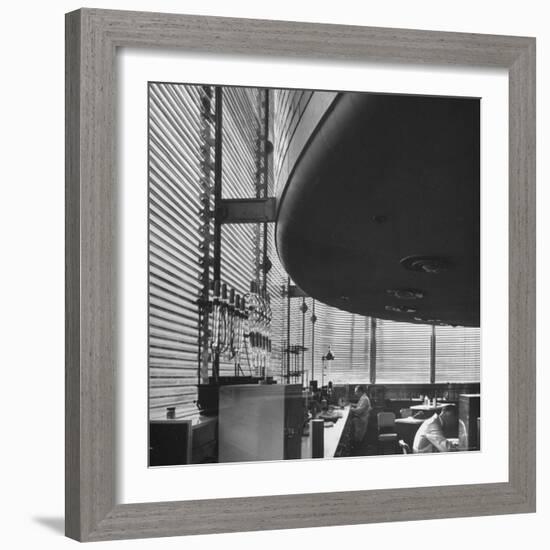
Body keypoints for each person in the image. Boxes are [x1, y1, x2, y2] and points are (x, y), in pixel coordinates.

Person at [350, 385, 371, 449]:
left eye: (356, 392)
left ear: (360, 391)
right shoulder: (363, 398)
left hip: (361, 420)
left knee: (358, 437)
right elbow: (359, 405)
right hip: (360, 419)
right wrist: (350, 404)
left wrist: (350, 409)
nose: (355, 393)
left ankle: (357, 449)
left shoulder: (364, 399)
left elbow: (359, 411)